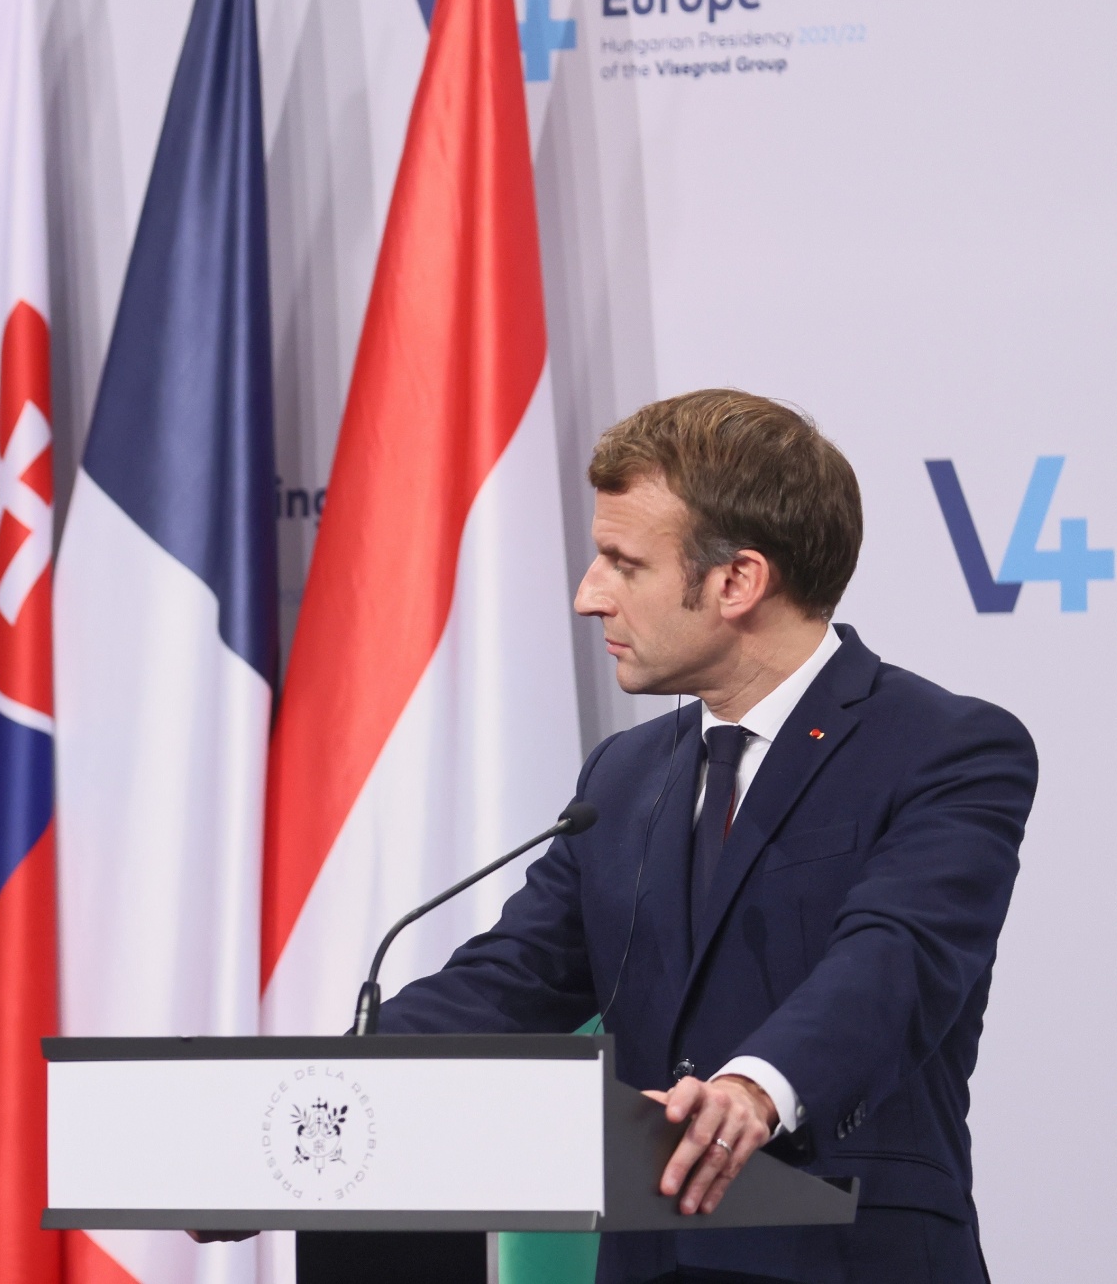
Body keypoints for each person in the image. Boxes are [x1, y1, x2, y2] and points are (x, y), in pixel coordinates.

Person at [377, 390, 1033, 1283]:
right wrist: (313, 1089)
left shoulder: (945, 747)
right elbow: (509, 981)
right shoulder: (623, 775)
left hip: (847, 1253)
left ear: (737, 582)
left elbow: (896, 960)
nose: (588, 596)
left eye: (623, 563)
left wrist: (755, 1086)